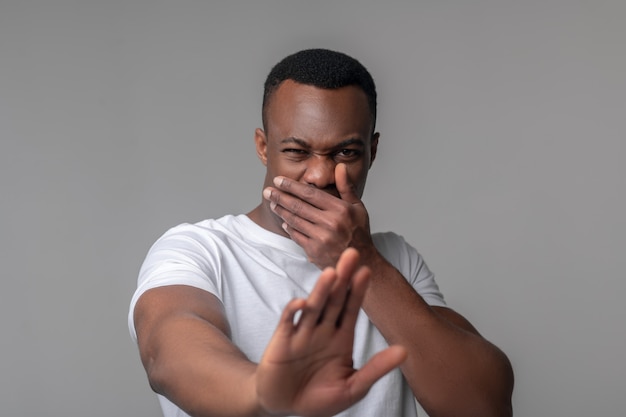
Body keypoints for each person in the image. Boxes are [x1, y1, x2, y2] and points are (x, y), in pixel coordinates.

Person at [128, 48, 514, 417]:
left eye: (346, 153)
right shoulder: (200, 249)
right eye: (297, 152)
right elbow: (167, 351)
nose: (320, 176)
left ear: (372, 152)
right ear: (264, 147)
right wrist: (263, 390)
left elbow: (484, 406)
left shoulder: (394, 258)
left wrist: (365, 263)